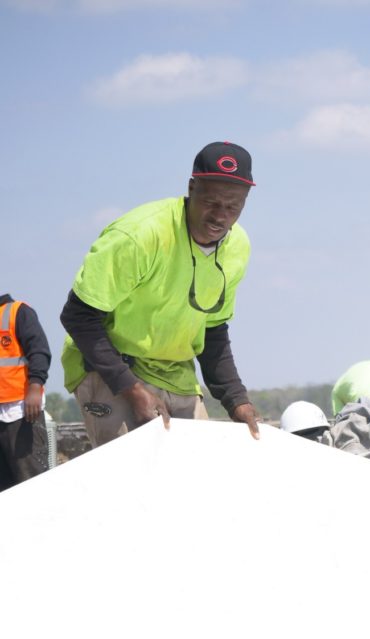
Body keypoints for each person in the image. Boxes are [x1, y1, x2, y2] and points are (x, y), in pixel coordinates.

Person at [60, 141, 260, 447]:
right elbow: (78, 316)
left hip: (175, 371)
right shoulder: (141, 235)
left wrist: (237, 400)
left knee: (194, 474)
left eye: (233, 206)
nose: (220, 216)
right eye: (212, 202)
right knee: (135, 475)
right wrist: (131, 388)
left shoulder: (238, 246)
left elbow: (213, 331)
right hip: (112, 368)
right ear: (192, 188)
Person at [0, 293, 51, 492]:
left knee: (31, 481)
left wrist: (35, 387)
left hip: (21, 411)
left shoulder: (18, 312)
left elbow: (39, 350)